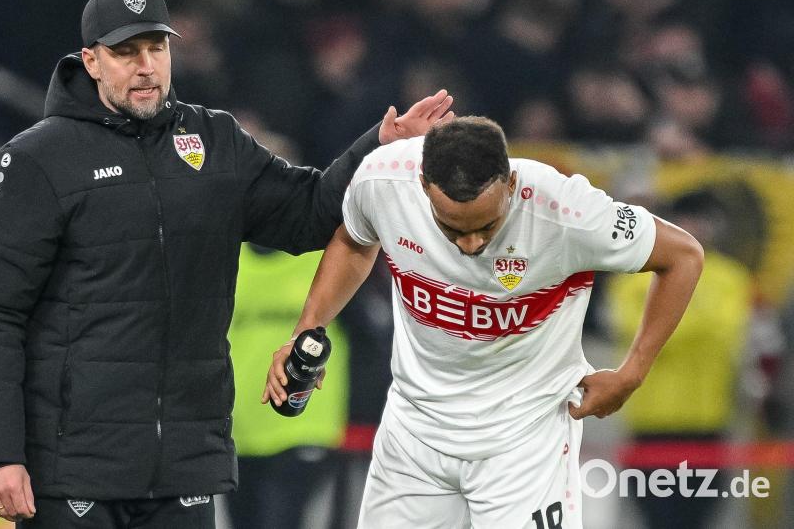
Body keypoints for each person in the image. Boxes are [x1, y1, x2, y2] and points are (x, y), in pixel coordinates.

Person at [0, 0, 454, 527]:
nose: (147, 66)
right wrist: (0, 453)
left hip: (186, 465)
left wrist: (377, 147)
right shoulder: (36, 160)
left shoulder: (213, 140)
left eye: (157, 48)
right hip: (73, 467)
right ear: (91, 60)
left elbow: (307, 213)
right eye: (127, 52)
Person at [264, 116, 705, 527]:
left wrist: (633, 372)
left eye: (487, 226)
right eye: (452, 228)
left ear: (511, 182)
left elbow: (683, 255)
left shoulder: (567, 211)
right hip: (414, 435)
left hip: (525, 441)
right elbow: (354, 239)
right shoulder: (384, 182)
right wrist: (307, 328)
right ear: (422, 185)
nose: (471, 244)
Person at [609, 190, 752, 529]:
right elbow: (632, 327)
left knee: (700, 517)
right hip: (649, 421)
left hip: (705, 421)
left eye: (703, 219)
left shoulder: (732, 278)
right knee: (652, 517)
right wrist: (692, 319)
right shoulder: (633, 276)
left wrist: (665, 322)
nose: (695, 226)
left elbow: (726, 329)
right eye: (685, 218)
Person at [225, 244, 350, 529]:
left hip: (303, 424)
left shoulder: (324, 258)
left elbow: (369, 333)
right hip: (240, 428)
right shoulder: (230, 255)